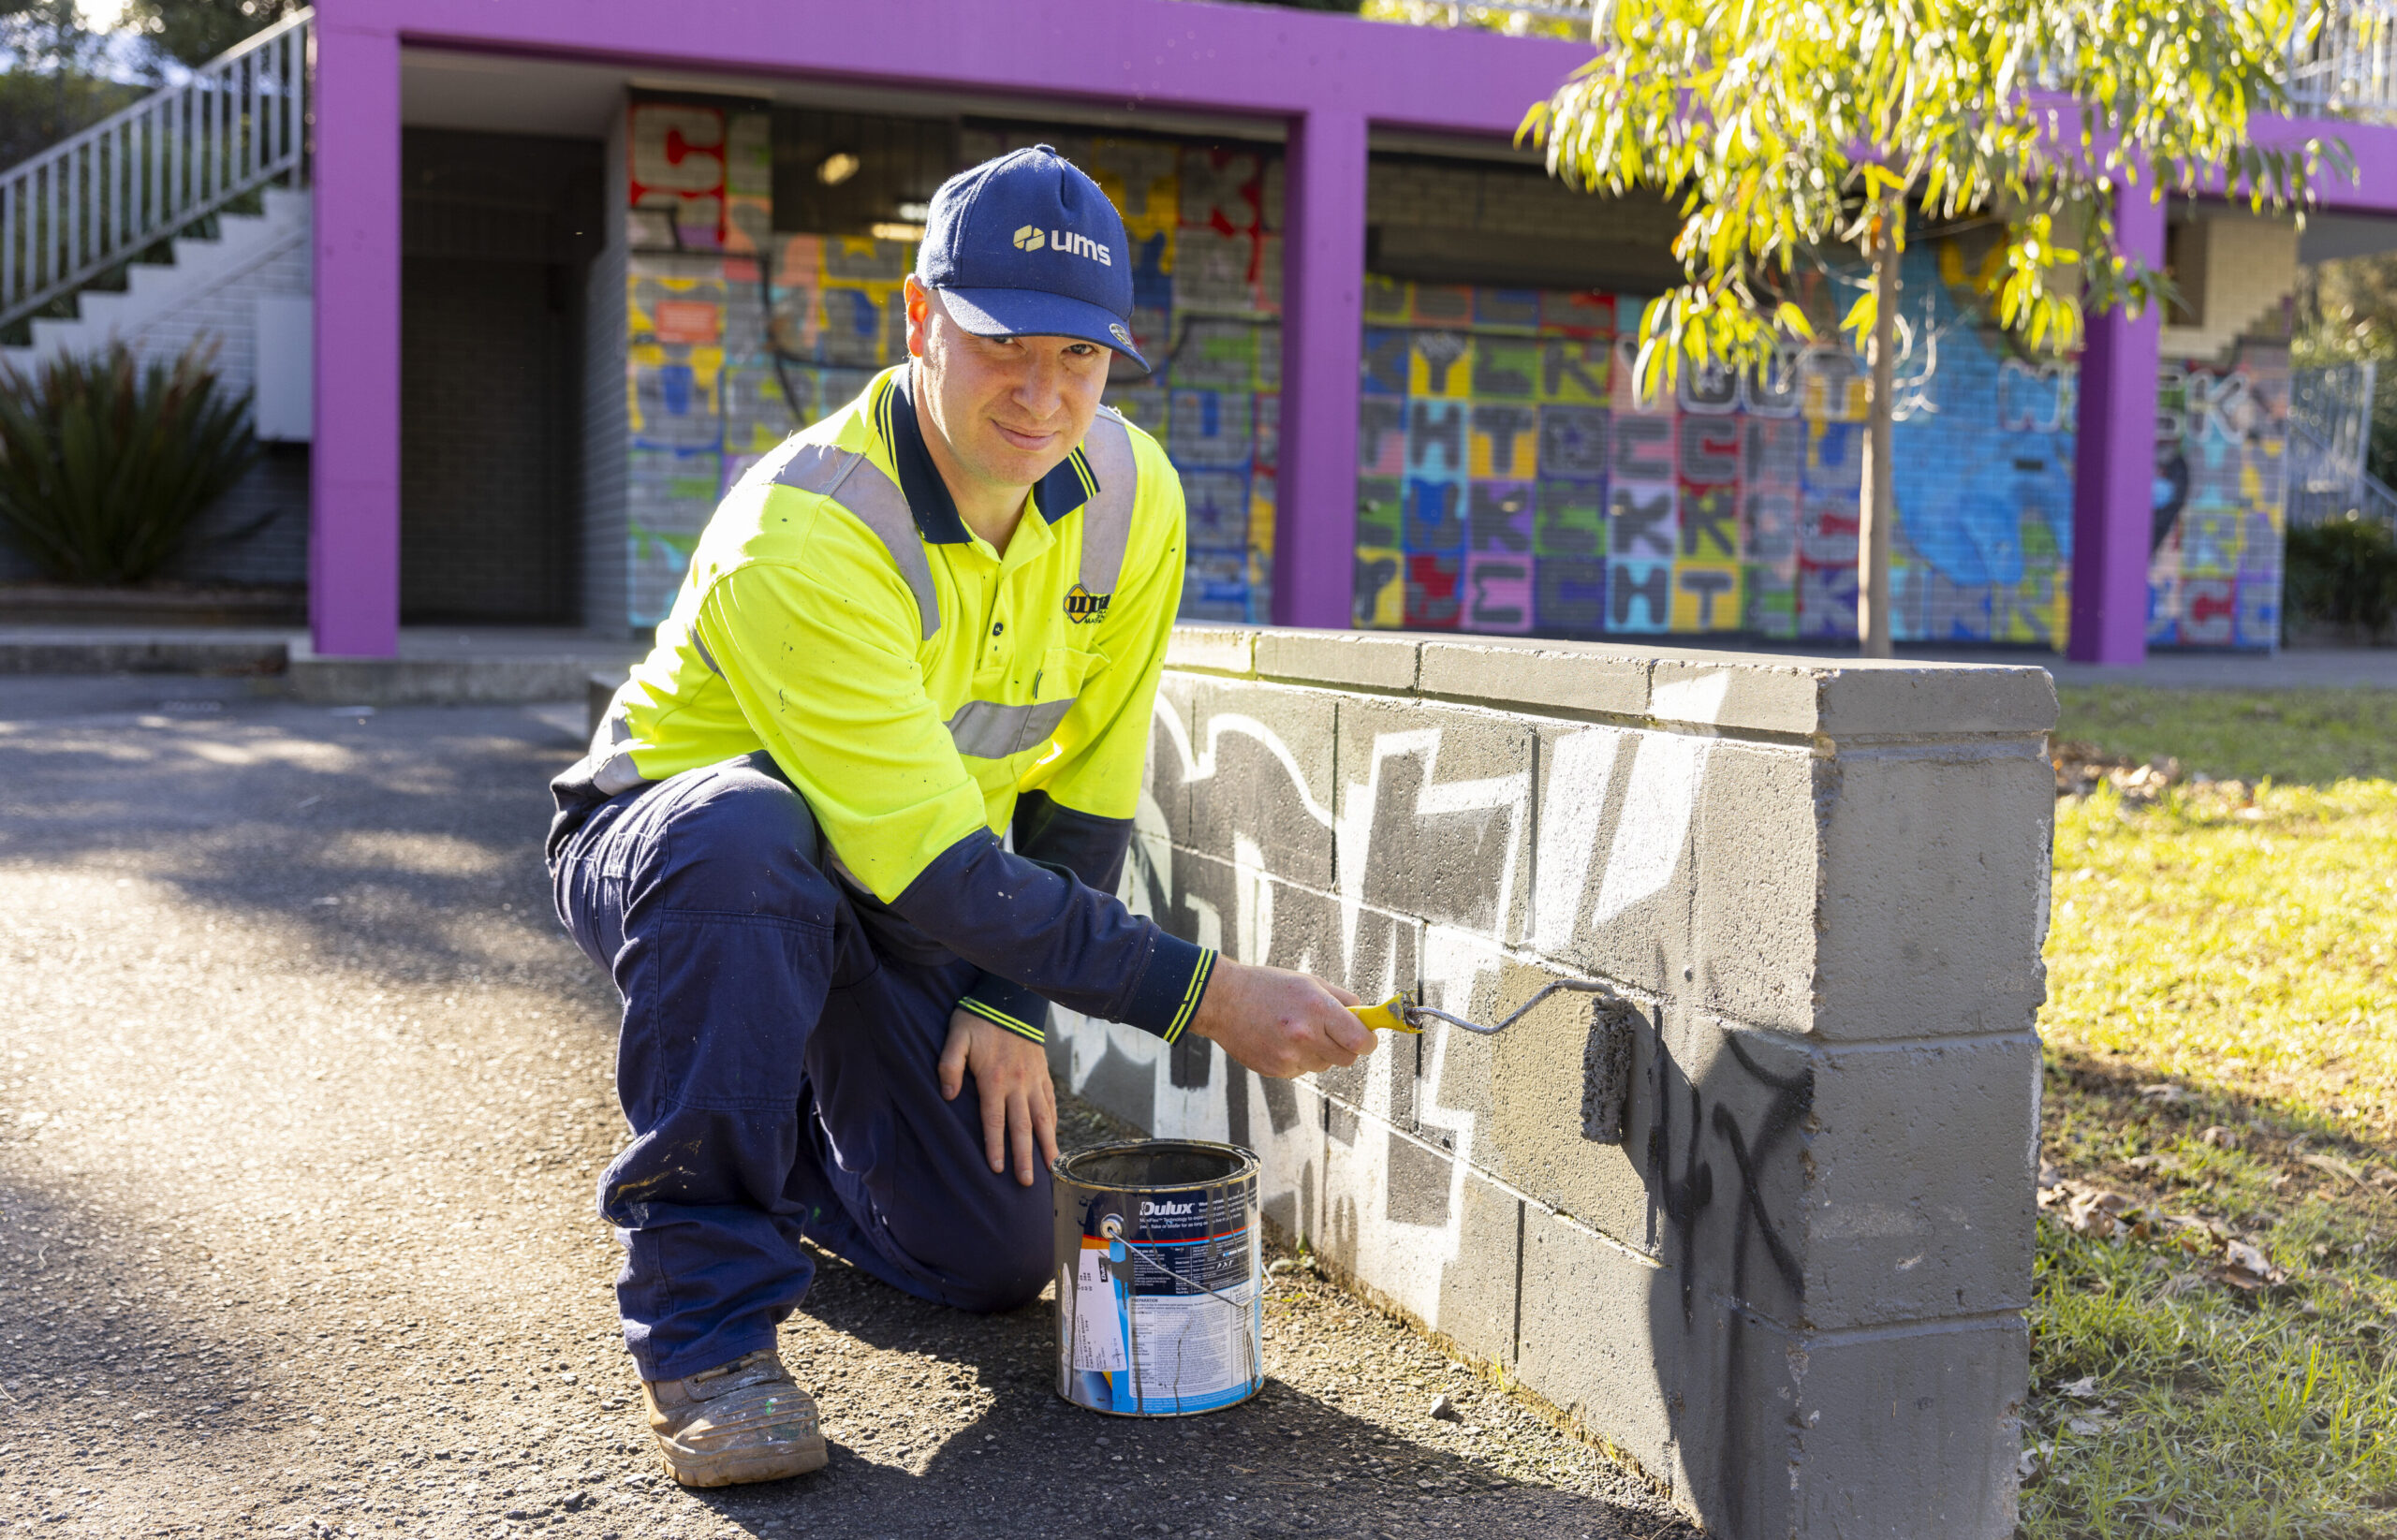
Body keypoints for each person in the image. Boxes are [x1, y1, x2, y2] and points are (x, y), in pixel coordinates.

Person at [547, 145, 1375, 1489]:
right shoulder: (810, 529)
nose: (1044, 395)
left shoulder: (1132, 500)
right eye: (1004, 347)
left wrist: (1003, 1005)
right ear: (921, 320)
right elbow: (937, 866)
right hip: (682, 849)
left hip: (901, 884)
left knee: (988, 1257)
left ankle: (770, 1129)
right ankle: (704, 1327)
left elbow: (1087, 796)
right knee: (750, 838)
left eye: (1082, 358)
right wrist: (1209, 997)